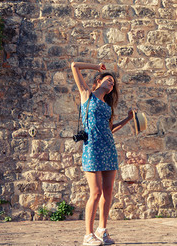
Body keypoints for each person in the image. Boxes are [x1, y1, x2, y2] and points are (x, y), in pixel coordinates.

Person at [71, 62, 135, 246]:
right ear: (98, 81)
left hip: (108, 148)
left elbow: (110, 129)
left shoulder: (107, 106)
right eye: (108, 80)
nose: (111, 84)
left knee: (107, 192)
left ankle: (102, 230)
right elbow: (74, 66)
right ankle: (88, 235)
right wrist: (95, 67)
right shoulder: (86, 95)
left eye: (113, 83)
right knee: (96, 192)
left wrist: (128, 119)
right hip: (92, 148)